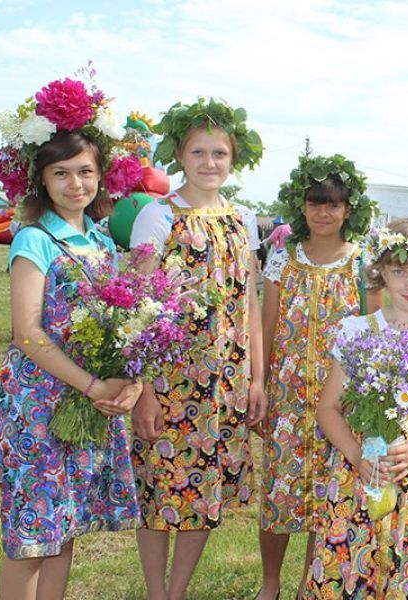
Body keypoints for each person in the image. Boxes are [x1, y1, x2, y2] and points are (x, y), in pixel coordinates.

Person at [0, 77, 143, 600]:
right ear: (42, 180)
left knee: (63, 528)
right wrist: (93, 384)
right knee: (31, 537)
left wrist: (129, 383)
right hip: (37, 404)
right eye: (61, 173)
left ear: (102, 175)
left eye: (85, 171)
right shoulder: (35, 237)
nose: (75, 183)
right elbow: (27, 333)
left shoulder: (101, 239)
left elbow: (124, 323)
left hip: (85, 402)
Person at [129, 97, 266, 600]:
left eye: (220, 154)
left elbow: (248, 303)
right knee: (160, 486)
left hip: (225, 382)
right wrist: (141, 390)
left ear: (234, 160)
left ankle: (177, 592)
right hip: (169, 380)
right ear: (179, 157)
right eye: (199, 152)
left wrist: (255, 379)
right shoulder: (157, 215)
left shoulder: (244, 219)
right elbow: (138, 311)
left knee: (202, 490)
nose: (210, 163)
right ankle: (153, 592)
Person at [305, 218, 408, 598]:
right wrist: (353, 452)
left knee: (405, 575)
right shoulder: (358, 330)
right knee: (344, 571)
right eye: (399, 271)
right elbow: (328, 408)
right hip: (356, 481)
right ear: (381, 272)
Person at [256, 154, 381, 600]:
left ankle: (312, 584)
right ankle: (270, 583)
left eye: (333, 204)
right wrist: (260, 385)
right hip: (287, 395)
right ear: (302, 206)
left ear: (349, 209)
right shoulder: (283, 259)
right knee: (279, 493)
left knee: (325, 499)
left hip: (339, 402)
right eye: (315, 203)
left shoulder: (364, 264)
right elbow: (267, 325)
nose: (323, 213)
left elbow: (374, 332)